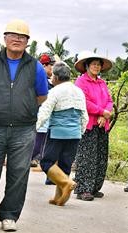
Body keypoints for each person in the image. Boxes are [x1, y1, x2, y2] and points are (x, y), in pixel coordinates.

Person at [0, 19, 48, 232]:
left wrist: (22, 107)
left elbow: (41, 96)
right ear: (5, 38)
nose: (17, 39)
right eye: (13, 35)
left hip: (24, 128)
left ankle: (9, 215)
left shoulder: (35, 66)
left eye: (22, 37)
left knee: (18, 173)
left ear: (27, 42)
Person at [36, 62, 88, 206]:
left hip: (57, 132)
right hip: (75, 133)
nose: (51, 78)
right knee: (65, 165)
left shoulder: (54, 91)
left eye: (52, 75)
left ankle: (66, 183)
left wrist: (35, 127)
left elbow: (44, 112)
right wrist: (80, 131)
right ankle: (59, 198)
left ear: (57, 77)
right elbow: (85, 115)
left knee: (46, 162)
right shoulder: (79, 91)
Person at [73, 50, 114, 201]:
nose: (96, 67)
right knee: (87, 157)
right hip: (89, 124)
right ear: (87, 66)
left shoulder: (102, 82)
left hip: (103, 124)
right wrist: (101, 112)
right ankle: (83, 188)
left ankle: (95, 187)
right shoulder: (81, 82)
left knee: (100, 156)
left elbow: (109, 100)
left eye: (98, 64)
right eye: (94, 64)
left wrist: (105, 113)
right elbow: (84, 102)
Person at [31, 53, 55, 168]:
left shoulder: (48, 81)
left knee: (41, 143)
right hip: (40, 115)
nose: (52, 68)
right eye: (51, 65)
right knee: (38, 143)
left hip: (45, 116)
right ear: (44, 66)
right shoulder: (41, 80)